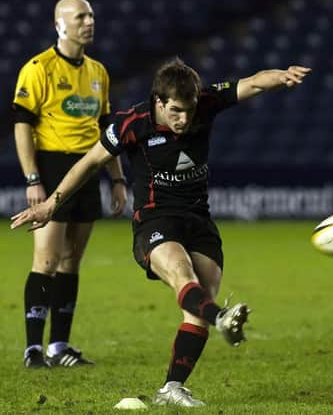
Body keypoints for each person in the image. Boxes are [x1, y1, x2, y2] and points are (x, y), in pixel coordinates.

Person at [11, 58, 311, 406]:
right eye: (176, 111)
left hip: (199, 219)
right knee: (184, 276)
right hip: (155, 220)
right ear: (158, 102)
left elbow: (255, 82)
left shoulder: (206, 102)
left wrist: (283, 76)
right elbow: (89, 162)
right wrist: (51, 204)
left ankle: (171, 388)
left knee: (200, 301)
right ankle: (222, 318)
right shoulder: (132, 123)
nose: (184, 119)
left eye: (190, 110)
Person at [13, 0, 127, 369]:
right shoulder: (38, 68)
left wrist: (117, 178)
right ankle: (33, 348)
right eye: (81, 16)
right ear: (60, 24)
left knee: (71, 262)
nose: (89, 21)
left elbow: (106, 131)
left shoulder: (98, 72)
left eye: (91, 15)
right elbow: (22, 127)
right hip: (51, 167)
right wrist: (33, 179)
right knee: (45, 259)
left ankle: (59, 346)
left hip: (89, 168)